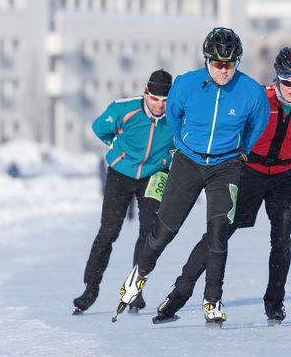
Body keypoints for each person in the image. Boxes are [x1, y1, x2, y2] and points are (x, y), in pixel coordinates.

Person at [153, 46, 291, 324]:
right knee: (219, 231)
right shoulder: (259, 97)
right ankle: (180, 293)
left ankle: (275, 303)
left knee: (282, 237)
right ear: (277, 78)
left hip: (287, 175)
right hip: (250, 172)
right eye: (286, 81)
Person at [114, 27, 269, 325]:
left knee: (218, 231)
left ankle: (212, 300)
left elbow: (256, 127)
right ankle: (139, 275)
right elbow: (174, 117)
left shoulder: (252, 92)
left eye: (230, 64)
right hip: (188, 161)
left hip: (226, 166)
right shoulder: (186, 84)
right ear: (207, 60)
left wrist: (240, 151)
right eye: (217, 63)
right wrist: (184, 144)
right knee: (164, 230)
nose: (223, 70)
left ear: (238, 61)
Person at [72, 69, 174, 315]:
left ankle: (134, 290)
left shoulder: (176, 117)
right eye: (154, 99)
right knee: (109, 231)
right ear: (146, 94)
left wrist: (167, 161)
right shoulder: (124, 109)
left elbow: (184, 141)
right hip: (120, 172)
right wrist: (117, 147)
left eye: (164, 101)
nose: (159, 106)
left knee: (149, 232)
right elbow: (99, 128)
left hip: (154, 175)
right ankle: (91, 288)